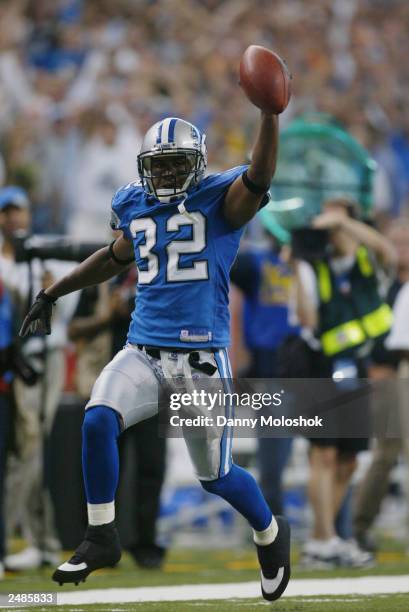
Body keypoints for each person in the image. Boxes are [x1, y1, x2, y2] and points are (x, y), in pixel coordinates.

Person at [20, 113, 291, 601]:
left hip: (201, 360)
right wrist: (53, 292)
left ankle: (270, 533)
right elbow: (113, 256)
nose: (165, 175)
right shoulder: (133, 202)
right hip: (143, 350)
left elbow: (260, 175)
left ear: (198, 163)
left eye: (175, 165)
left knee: (217, 477)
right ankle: (101, 533)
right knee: (98, 417)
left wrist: (269, 115)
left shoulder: (220, 198)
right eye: (158, 166)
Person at [295, 197, 396, 568]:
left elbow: (386, 248)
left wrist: (340, 222)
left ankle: (325, 540)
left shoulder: (369, 261)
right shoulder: (312, 264)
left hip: (359, 365)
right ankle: (322, 540)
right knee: (323, 455)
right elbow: (304, 316)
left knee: (349, 461)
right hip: (321, 366)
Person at [0, 186, 79, 570]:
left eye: (18, 210)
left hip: (44, 359)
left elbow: (62, 313)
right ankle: (40, 539)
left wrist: (48, 290)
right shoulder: (3, 263)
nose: (13, 218)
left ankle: (32, 538)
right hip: (13, 363)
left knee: (31, 445)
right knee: (23, 451)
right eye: (6, 212)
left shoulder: (46, 251)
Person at [230, 236, 299, 515]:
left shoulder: (316, 260)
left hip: (315, 365)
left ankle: (336, 534)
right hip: (271, 369)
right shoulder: (255, 261)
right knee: (273, 463)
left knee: (330, 456)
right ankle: (272, 529)